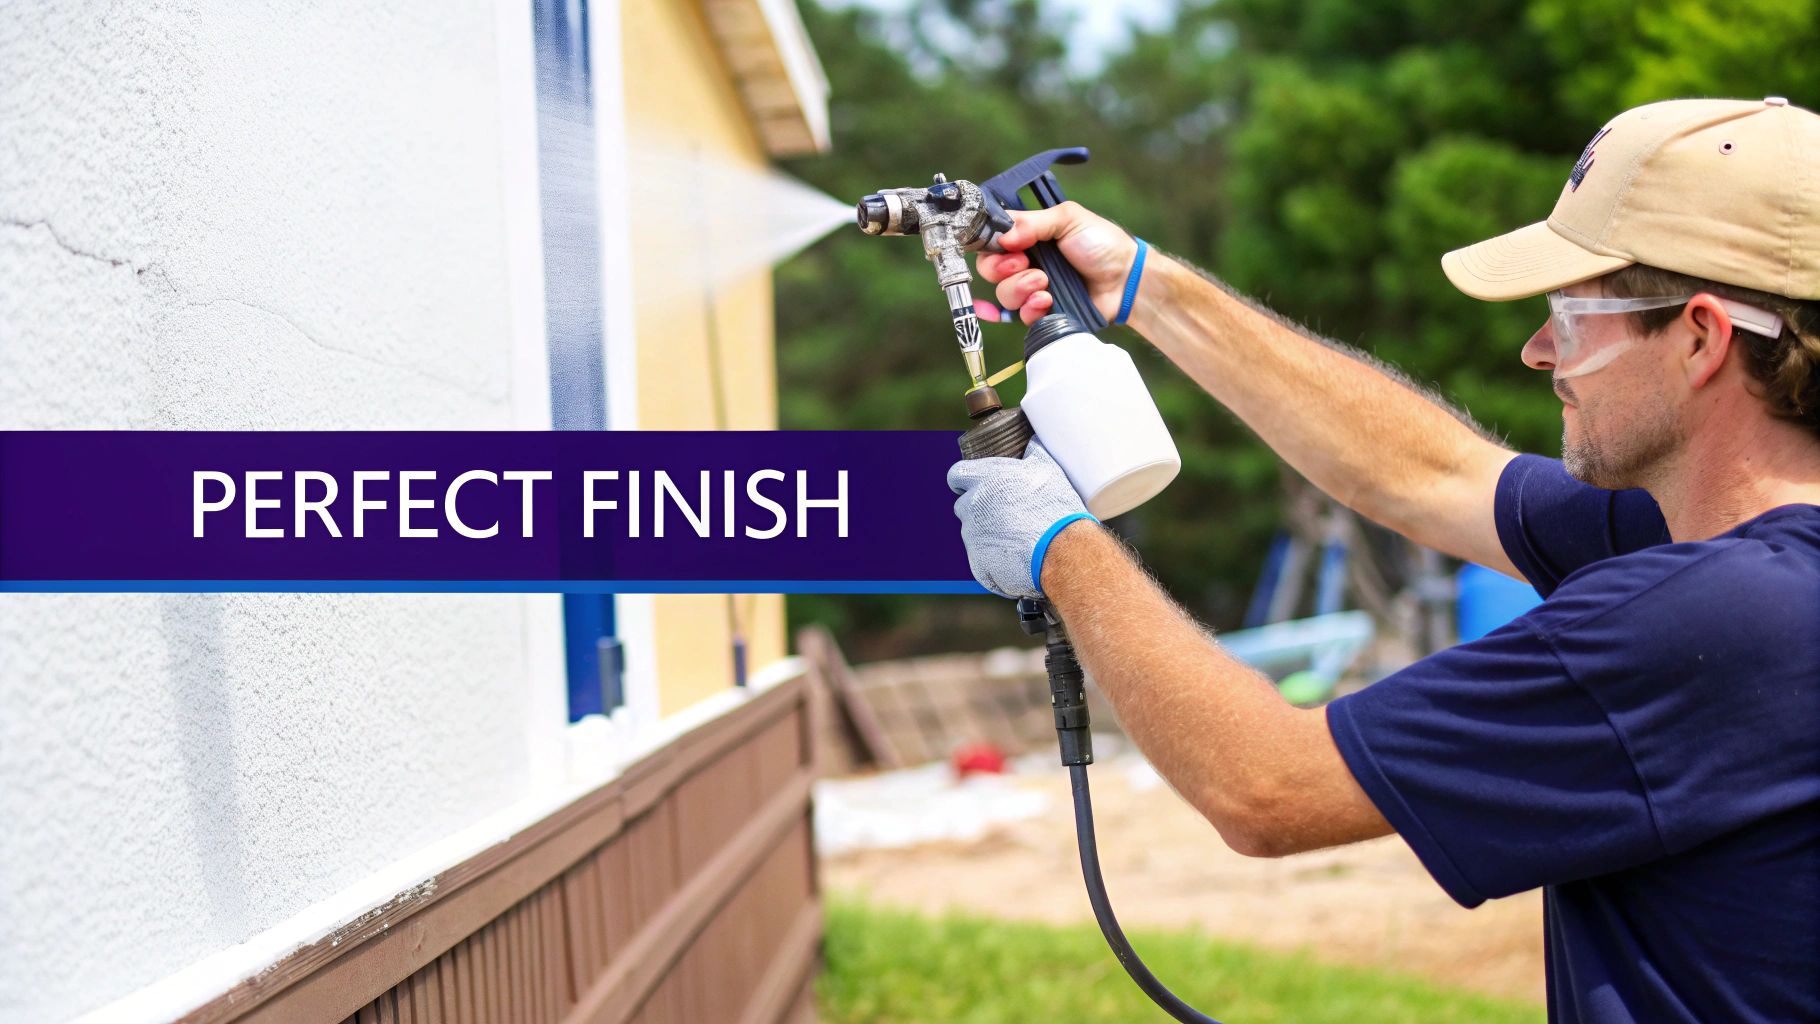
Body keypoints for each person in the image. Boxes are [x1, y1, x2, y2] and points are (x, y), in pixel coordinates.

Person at [947, 97, 1820, 1022]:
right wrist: (1143, 284)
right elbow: (1428, 475)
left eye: (1569, 318)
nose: (1536, 352)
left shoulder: (1724, 616)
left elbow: (1266, 786)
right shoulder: (1716, 543)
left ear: (1701, 337)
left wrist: (1058, 544)